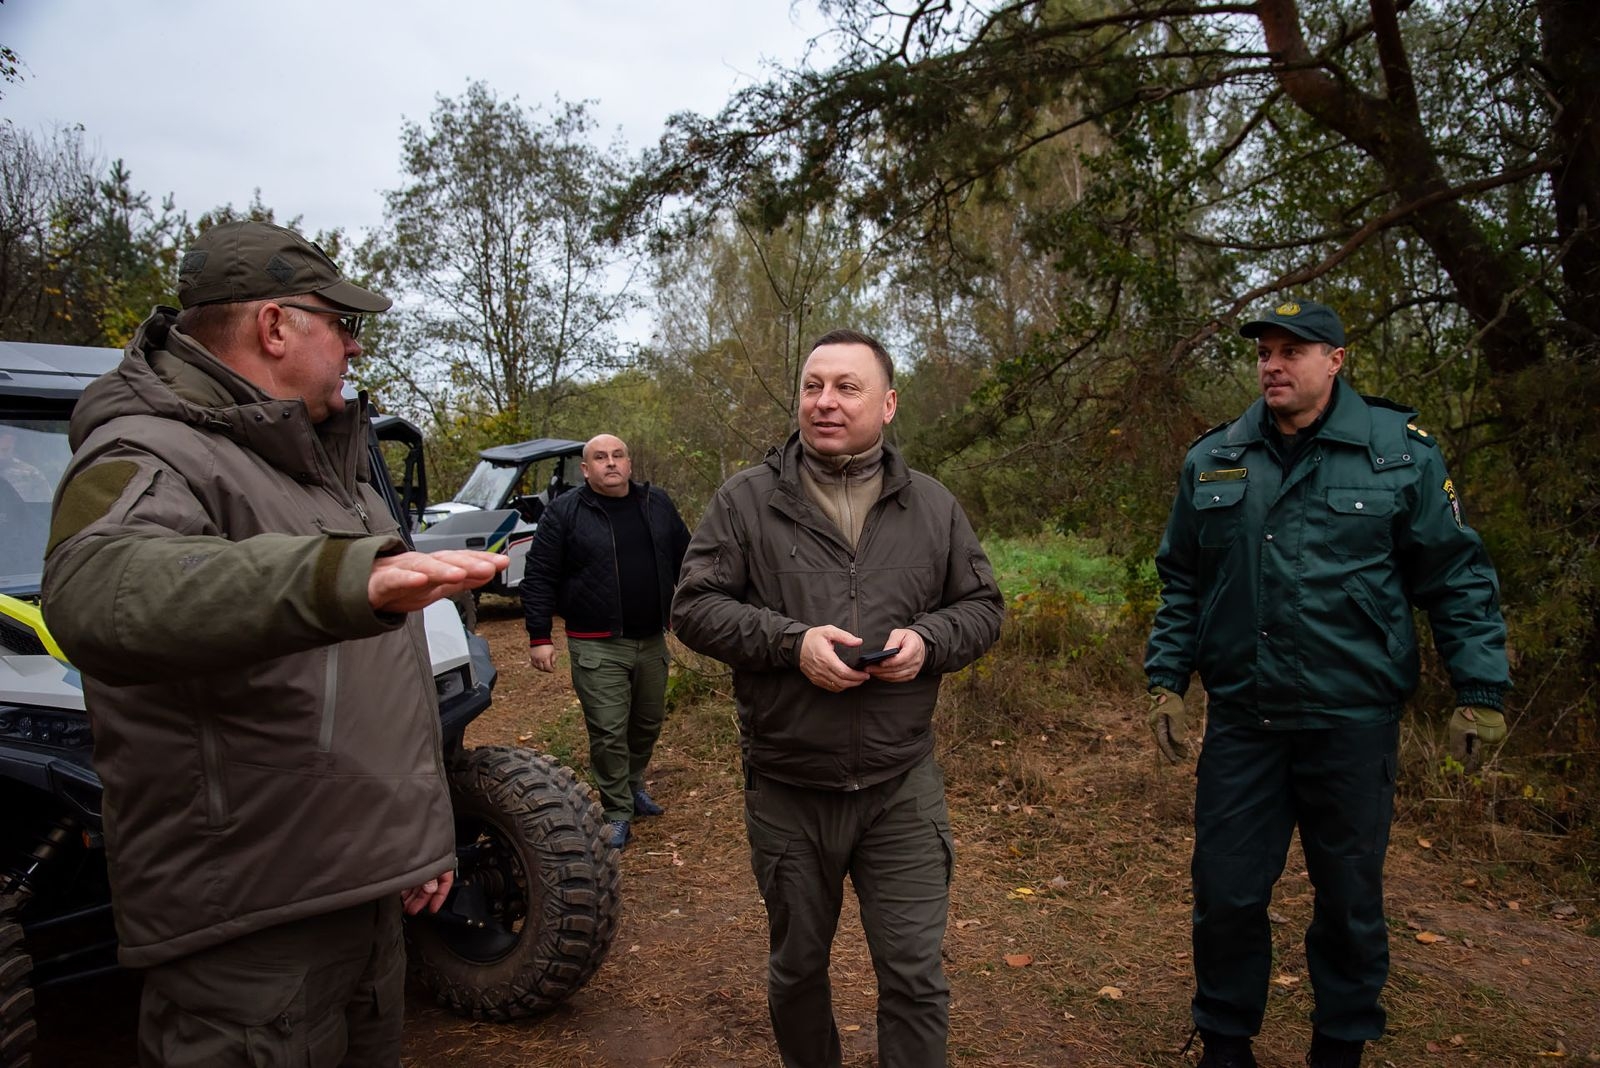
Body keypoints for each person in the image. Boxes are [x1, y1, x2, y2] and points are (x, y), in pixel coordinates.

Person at [41, 220, 508, 1067]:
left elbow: (369, 690)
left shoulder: (325, 458)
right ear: (275, 326)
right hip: (253, 926)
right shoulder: (151, 450)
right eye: (344, 325)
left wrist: (417, 835)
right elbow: (99, 590)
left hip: (362, 899)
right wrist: (341, 579)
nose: (356, 349)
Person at [1144, 300, 1511, 1068]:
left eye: (1292, 351)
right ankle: (1225, 1039)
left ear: (1336, 360)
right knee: (1227, 892)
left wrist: (1479, 692)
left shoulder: (1399, 454)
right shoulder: (1216, 457)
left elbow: (1456, 578)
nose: (1272, 365)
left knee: (1348, 899)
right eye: (1264, 353)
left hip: (1352, 719)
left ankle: (1340, 1042)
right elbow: (1182, 579)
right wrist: (1167, 679)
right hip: (1246, 719)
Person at [671, 328, 1004, 1068]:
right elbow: (693, 608)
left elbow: (983, 607)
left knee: (915, 975)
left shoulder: (933, 506)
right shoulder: (746, 501)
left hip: (900, 787)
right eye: (812, 386)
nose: (824, 402)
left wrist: (928, 643)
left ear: (886, 405)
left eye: (846, 387)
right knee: (797, 972)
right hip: (790, 786)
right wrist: (792, 645)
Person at [519, 432, 691, 849]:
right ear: (586, 468)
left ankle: (630, 786)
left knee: (646, 724)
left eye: (618, 456)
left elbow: (688, 558)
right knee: (609, 730)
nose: (611, 463)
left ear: (629, 463)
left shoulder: (657, 503)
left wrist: (701, 610)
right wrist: (539, 636)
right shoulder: (564, 513)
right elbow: (539, 575)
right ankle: (616, 811)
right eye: (600, 457)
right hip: (596, 642)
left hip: (651, 638)